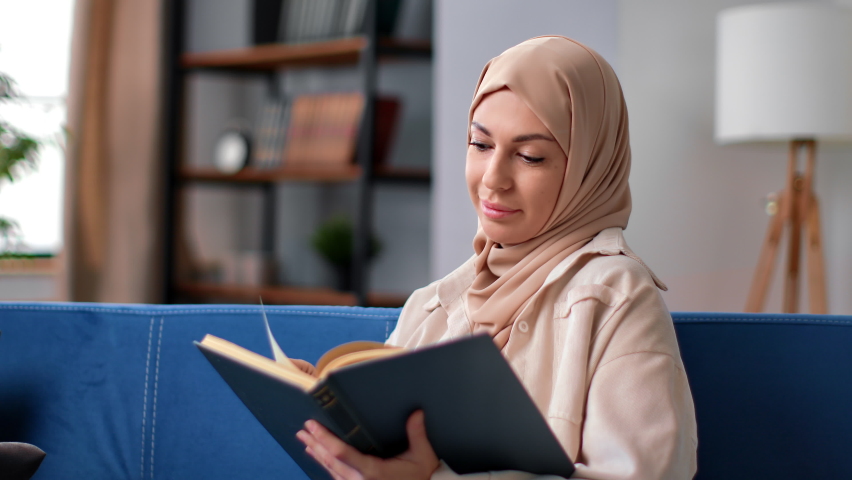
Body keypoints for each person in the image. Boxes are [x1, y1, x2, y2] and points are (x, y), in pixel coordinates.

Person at [296, 35, 698, 480]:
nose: (493, 180)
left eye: (530, 156)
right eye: (480, 145)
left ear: (589, 166)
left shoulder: (615, 296)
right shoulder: (433, 305)